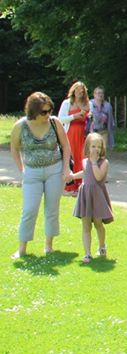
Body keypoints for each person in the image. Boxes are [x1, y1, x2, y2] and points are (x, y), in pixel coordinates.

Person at [10, 92, 72, 259]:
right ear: (33, 111)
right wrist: (21, 169)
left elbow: (66, 146)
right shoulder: (20, 126)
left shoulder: (54, 122)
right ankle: (22, 249)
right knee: (29, 210)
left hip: (54, 170)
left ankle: (49, 246)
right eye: (44, 112)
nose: (48, 114)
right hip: (32, 172)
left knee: (52, 209)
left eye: (50, 110)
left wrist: (66, 168)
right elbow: (14, 148)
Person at [70, 132, 114, 263]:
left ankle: (102, 246)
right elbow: (85, 173)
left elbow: (98, 176)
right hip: (86, 195)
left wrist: (94, 162)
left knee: (98, 223)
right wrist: (73, 176)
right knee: (86, 225)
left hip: (97, 196)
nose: (96, 149)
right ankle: (87, 253)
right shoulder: (85, 161)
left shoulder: (104, 163)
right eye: (93, 146)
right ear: (87, 147)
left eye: (99, 147)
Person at [58, 81, 90, 195]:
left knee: (83, 158)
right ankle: (71, 185)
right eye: (78, 90)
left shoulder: (88, 104)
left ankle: (82, 184)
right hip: (70, 133)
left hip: (84, 135)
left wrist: (90, 117)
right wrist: (74, 116)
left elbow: (92, 119)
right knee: (72, 158)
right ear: (73, 91)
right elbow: (60, 118)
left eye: (82, 91)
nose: (80, 93)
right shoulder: (67, 103)